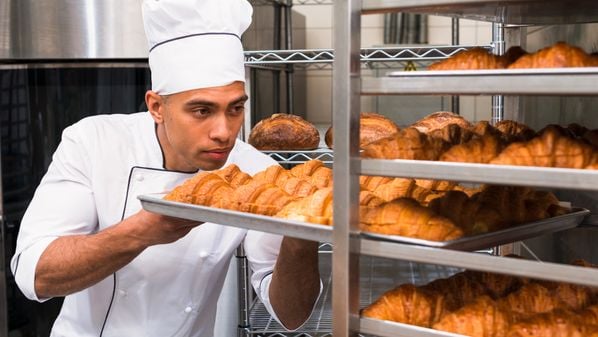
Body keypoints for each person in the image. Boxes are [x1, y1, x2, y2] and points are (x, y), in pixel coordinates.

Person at [10, 0, 321, 336]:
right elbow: (36, 275)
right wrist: (145, 229)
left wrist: (302, 237)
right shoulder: (94, 141)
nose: (224, 131)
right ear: (157, 107)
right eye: (202, 111)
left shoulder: (257, 172)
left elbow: (291, 316)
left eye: (235, 109)